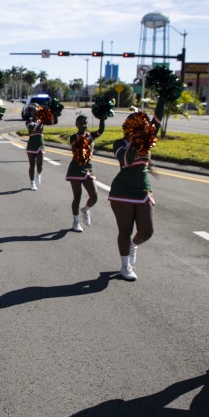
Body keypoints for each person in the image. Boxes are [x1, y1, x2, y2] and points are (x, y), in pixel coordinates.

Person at [108, 98, 166, 281]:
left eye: (144, 126)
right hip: (122, 191)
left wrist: (163, 95)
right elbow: (128, 161)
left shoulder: (146, 141)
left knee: (147, 231)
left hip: (142, 190)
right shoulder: (119, 144)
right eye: (139, 126)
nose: (143, 129)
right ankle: (125, 266)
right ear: (129, 127)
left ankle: (134, 245)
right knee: (124, 231)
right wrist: (135, 140)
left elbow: (157, 119)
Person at [66, 114, 106, 233]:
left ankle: (86, 209)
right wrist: (89, 138)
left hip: (88, 168)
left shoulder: (91, 136)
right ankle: (76, 222)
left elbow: (101, 130)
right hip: (76, 168)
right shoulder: (74, 137)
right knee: (77, 196)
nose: (84, 125)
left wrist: (102, 117)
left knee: (94, 195)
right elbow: (78, 145)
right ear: (76, 124)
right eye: (81, 123)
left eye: (85, 123)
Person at [25, 104, 49, 191]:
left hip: (40, 145)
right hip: (31, 146)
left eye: (36, 112)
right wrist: (42, 121)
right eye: (33, 112)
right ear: (31, 112)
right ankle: (32, 182)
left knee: (40, 165)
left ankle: (38, 174)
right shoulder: (28, 122)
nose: (35, 113)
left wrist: (52, 113)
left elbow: (52, 121)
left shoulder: (41, 120)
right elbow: (34, 128)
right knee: (32, 165)